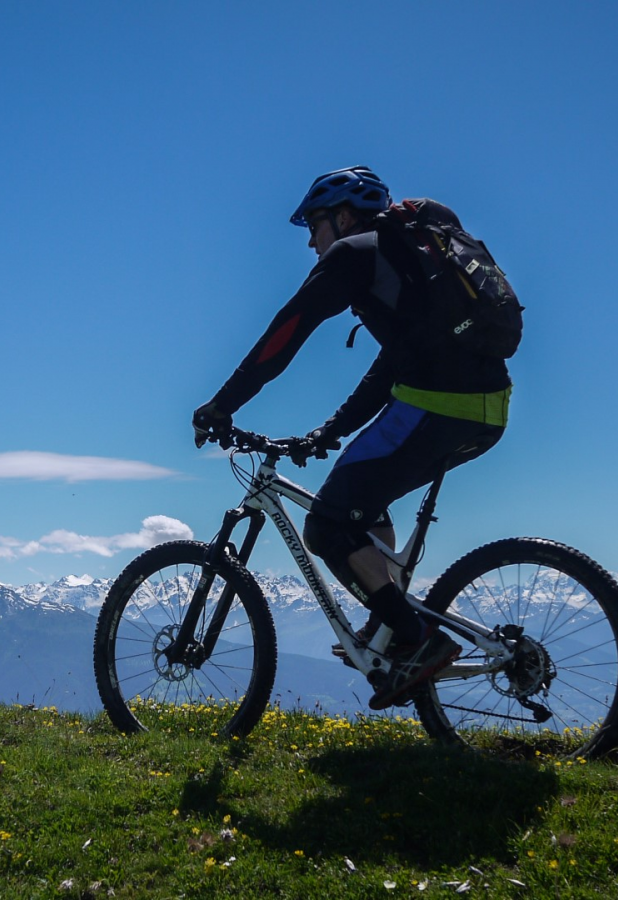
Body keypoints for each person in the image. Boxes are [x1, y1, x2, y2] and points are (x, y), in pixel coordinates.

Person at [191, 166, 513, 709]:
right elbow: (396, 362)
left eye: (313, 226)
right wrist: (332, 430)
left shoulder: (352, 255)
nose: (311, 243)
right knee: (362, 503)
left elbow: (284, 335)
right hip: (489, 410)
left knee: (326, 525)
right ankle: (388, 626)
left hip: (434, 406)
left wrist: (221, 406)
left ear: (342, 217)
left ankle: (415, 639)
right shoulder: (404, 262)